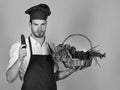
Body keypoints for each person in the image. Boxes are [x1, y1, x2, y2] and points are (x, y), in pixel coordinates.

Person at [6, 3, 82, 90]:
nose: (39, 28)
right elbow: (9, 78)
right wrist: (19, 60)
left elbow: (54, 76)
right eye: (35, 24)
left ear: (46, 24)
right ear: (29, 25)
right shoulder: (19, 46)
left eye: (42, 24)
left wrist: (71, 70)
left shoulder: (51, 46)